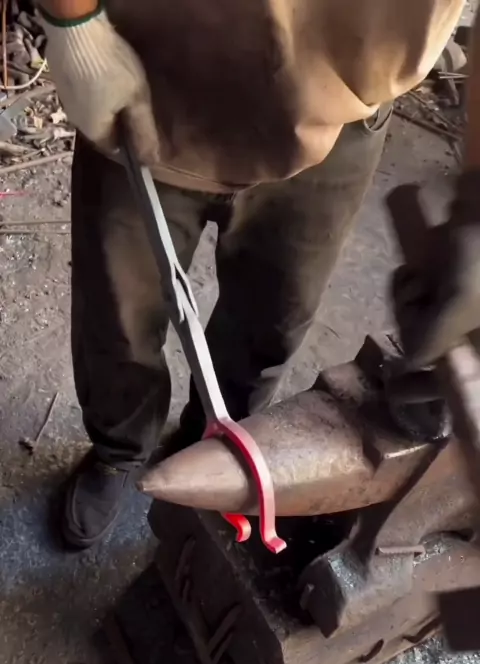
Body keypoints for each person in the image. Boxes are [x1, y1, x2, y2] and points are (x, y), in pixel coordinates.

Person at [37, 0, 471, 549]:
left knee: (272, 322)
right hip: (145, 82)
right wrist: (75, 28)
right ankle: (118, 449)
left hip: (336, 117)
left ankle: (219, 442)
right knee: (116, 318)